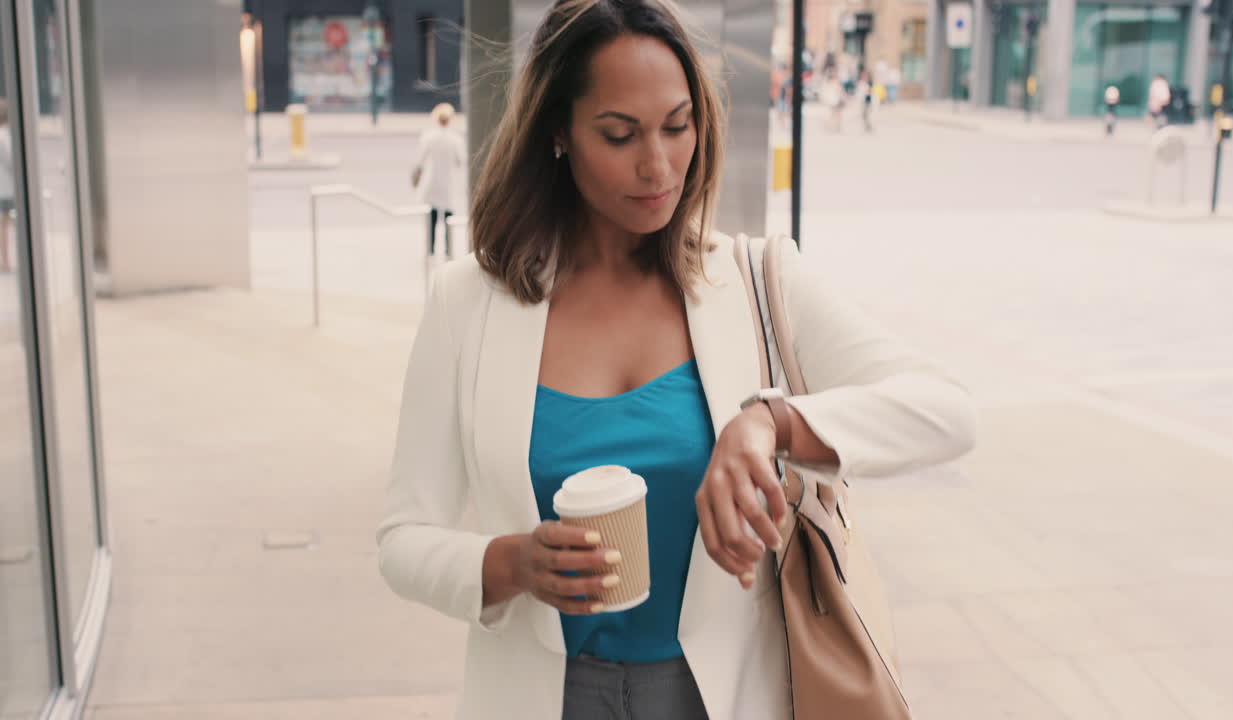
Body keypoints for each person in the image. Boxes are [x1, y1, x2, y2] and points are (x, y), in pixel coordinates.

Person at [375, 2, 976, 719]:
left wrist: (770, 425)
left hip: (724, 698)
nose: (657, 165)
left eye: (677, 125)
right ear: (559, 133)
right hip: (538, 697)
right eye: (620, 134)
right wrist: (507, 564)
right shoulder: (467, 303)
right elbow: (403, 538)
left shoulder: (754, 278)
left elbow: (946, 410)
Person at [411, 102, 466, 259]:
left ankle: (431, 249)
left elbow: (419, 162)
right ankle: (449, 250)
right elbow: (461, 161)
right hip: (448, 182)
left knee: (432, 217)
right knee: (449, 217)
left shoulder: (428, 137)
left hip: (432, 182)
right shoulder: (455, 139)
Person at [0, 101, 14, 273]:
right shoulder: (5, 137)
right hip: (6, 189)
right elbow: (12, 162)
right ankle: (6, 260)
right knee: (5, 226)